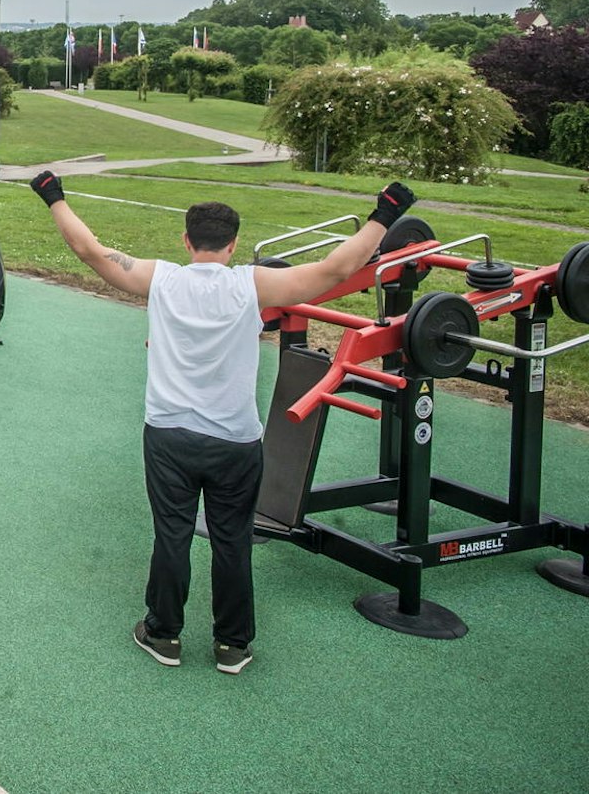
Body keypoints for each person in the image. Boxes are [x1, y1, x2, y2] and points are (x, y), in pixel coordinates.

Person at [29, 169, 417, 675]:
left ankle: (163, 634)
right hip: (234, 440)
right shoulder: (252, 285)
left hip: (169, 434)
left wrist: (52, 197)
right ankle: (233, 645)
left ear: (186, 241)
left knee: (172, 534)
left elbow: (91, 251)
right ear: (233, 246)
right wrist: (385, 214)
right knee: (232, 539)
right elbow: (335, 270)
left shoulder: (160, 277)